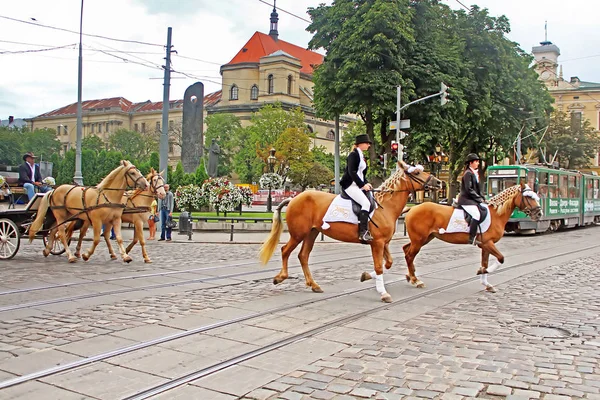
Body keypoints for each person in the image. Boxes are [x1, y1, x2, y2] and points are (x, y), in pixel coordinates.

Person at [340, 134, 374, 242]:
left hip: (357, 184)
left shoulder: (362, 156)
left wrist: (367, 183)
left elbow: (361, 174)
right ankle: (363, 232)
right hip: (350, 184)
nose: (369, 145)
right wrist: (362, 185)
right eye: (367, 143)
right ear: (361, 144)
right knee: (366, 203)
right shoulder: (353, 155)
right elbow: (352, 172)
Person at [458, 153, 485, 245]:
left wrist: (483, 198)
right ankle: (472, 237)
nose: (478, 163)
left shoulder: (474, 173)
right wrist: (479, 199)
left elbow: (477, 189)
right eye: (476, 162)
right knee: (476, 215)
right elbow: (469, 189)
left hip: (471, 200)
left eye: (478, 161)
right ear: (471, 163)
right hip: (466, 200)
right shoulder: (468, 173)